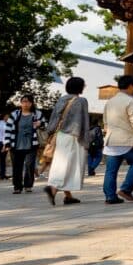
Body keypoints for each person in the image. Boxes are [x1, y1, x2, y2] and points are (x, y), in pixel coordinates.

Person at [43, 76, 89, 207]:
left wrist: (50, 133)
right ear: (79, 87)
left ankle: (68, 196)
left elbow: (53, 118)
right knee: (69, 165)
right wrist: (86, 140)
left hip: (60, 135)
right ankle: (53, 188)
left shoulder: (61, 99)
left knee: (61, 162)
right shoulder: (81, 101)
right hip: (74, 136)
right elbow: (84, 121)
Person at [102, 75, 133, 204]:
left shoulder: (110, 101)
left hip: (111, 139)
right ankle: (126, 189)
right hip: (127, 139)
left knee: (111, 170)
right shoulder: (131, 101)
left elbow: (105, 121)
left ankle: (110, 196)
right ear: (131, 86)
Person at [5, 95, 44, 194]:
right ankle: (17, 187)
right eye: (23, 102)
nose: (25, 104)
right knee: (16, 167)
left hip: (32, 144)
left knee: (29, 165)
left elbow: (46, 126)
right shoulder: (14, 114)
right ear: (21, 103)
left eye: (28, 102)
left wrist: (41, 124)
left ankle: (28, 185)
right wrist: (7, 143)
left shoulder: (37, 114)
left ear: (31, 103)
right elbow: (8, 129)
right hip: (16, 145)